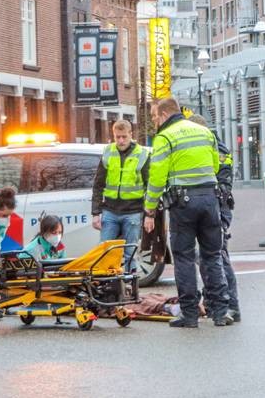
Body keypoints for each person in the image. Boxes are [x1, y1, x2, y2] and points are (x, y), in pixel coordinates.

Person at [144, 98, 231, 328]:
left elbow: (157, 177)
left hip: (183, 204)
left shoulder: (165, 137)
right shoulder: (204, 132)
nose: (154, 121)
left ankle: (190, 314)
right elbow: (215, 166)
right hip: (210, 199)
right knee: (212, 255)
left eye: (154, 116)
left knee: (184, 257)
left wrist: (149, 208)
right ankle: (220, 311)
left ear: (164, 114)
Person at [188, 114, 240, 323]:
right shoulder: (214, 146)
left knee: (218, 256)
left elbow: (221, 180)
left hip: (218, 206)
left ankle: (231, 305)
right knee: (208, 257)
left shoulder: (217, 149)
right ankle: (213, 300)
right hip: (214, 205)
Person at [91, 119, 150, 275]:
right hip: (110, 210)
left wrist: (149, 213)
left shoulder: (142, 154)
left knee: (130, 254)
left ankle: (131, 288)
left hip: (133, 211)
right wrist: (95, 213)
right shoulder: (108, 152)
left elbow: (149, 186)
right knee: (105, 252)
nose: (121, 140)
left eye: (124, 136)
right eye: (117, 137)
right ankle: (108, 288)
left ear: (131, 134)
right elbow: (98, 184)